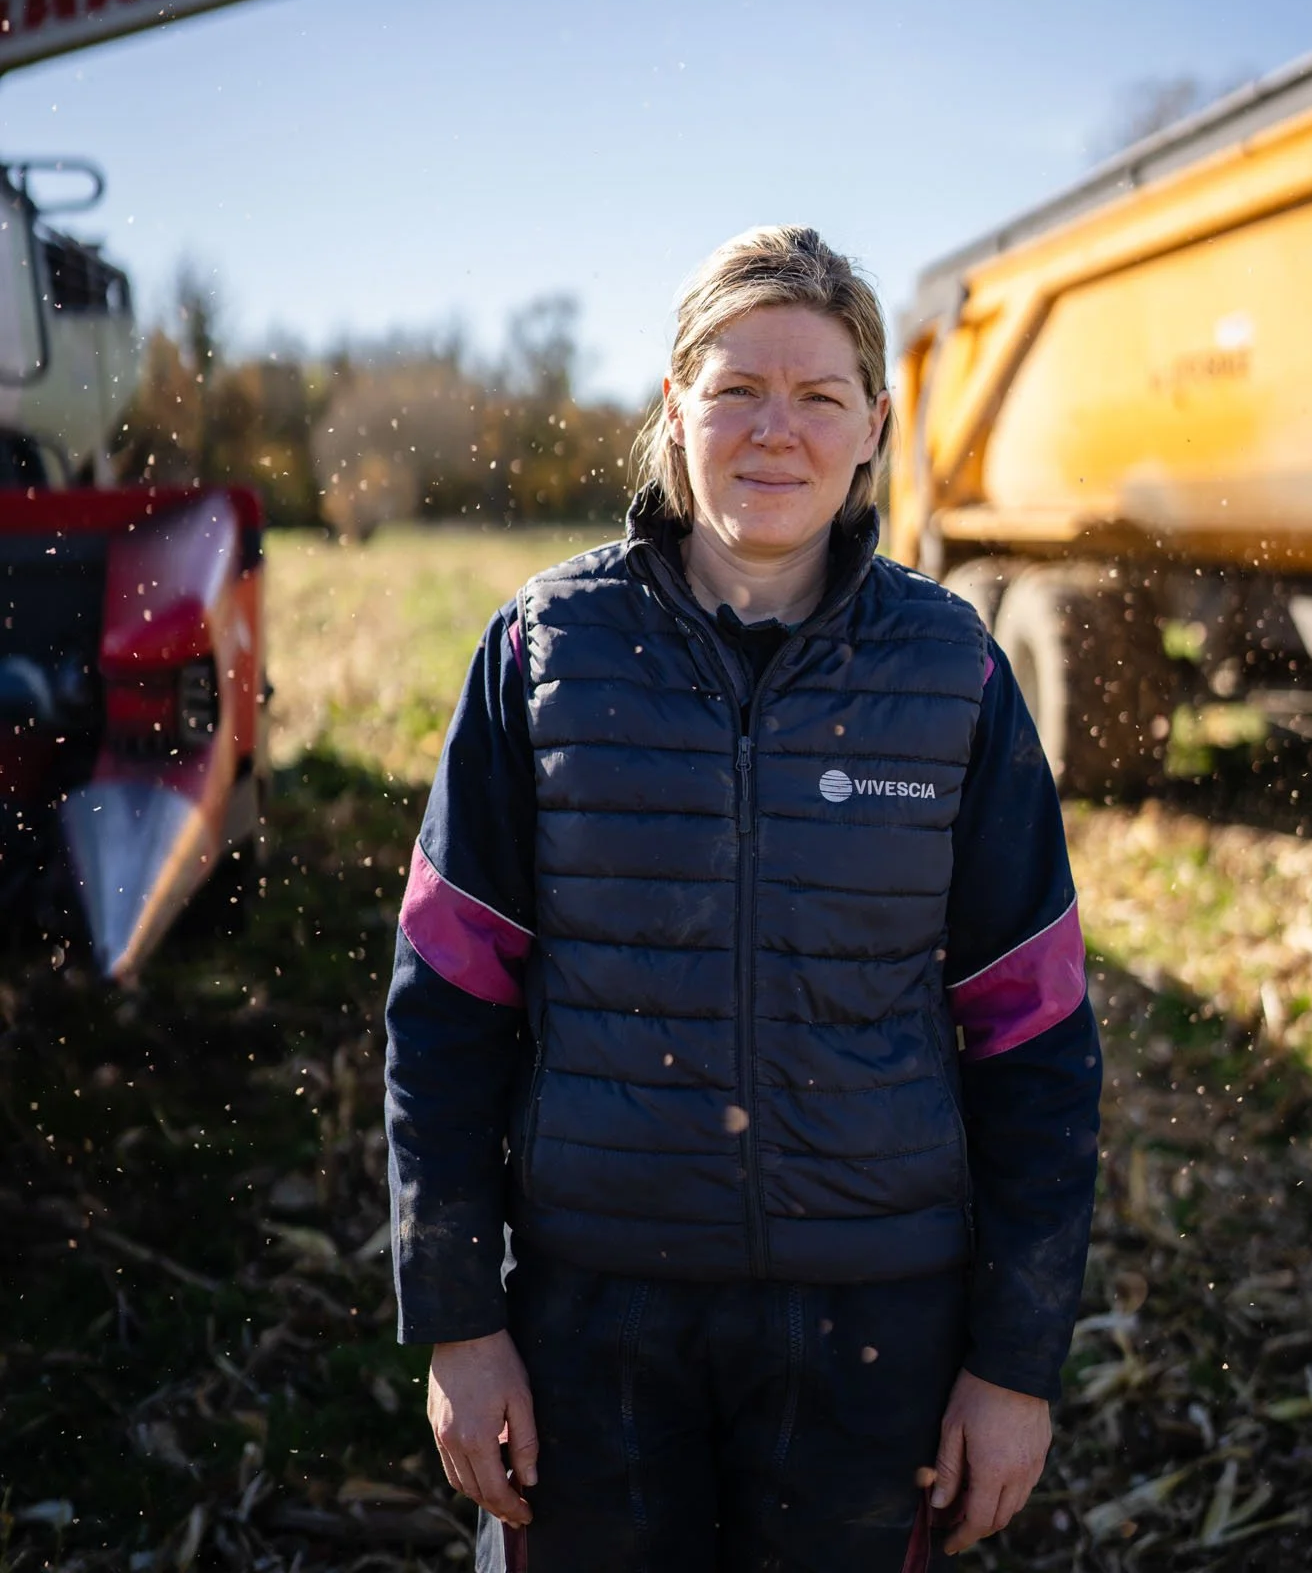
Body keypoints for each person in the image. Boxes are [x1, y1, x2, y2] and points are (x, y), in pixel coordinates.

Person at [385, 226, 1102, 1571]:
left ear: (875, 425)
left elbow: (1036, 1038)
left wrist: (1016, 1363)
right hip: (593, 1318)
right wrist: (461, 1322)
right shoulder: (544, 651)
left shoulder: (953, 671)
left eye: (821, 395)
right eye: (737, 390)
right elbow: (447, 1009)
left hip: (874, 1327)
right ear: (675, 405)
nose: (777, 431)